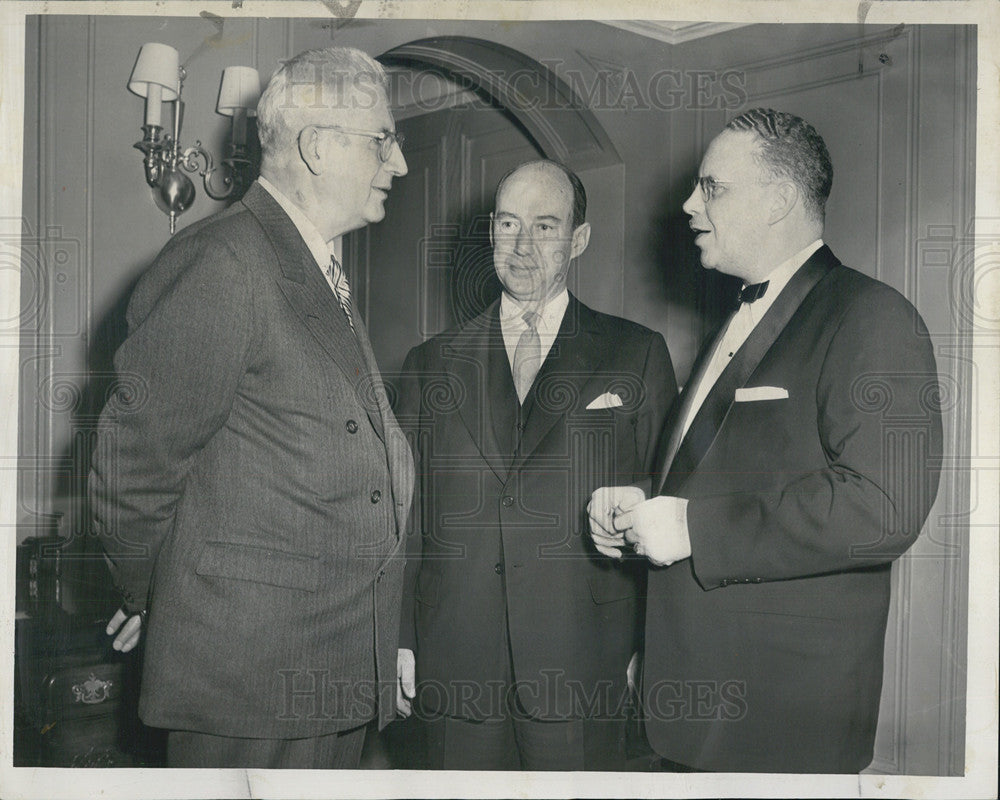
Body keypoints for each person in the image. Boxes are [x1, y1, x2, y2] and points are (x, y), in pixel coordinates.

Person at [589, 108, 942, 773]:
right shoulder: (735, 320)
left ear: (779, 200)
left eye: (711, 187)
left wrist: (693, 528)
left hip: (783, 719)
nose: (689, 205)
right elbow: (719, 476)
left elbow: (883, 508)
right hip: (692, 708)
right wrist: (638, 504)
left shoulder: (872, 316)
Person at [89, 46, 413, 768]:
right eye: (383, 140)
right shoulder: (224, 263)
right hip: (248, 676)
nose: (399, 164)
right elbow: (135, 460)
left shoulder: (311, 266)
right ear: (319, 147)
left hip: (321, 665)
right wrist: (149, 593)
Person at [393, 159, 677, 770]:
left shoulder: (636, 352)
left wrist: (651, 646)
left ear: (579, 240)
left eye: (544, 227)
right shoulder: (429, 363)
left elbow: (666, 500)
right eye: (507, 224)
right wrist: (400, 641)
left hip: (583, 663)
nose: (521, 247)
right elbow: (405, 516)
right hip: (455, 660)